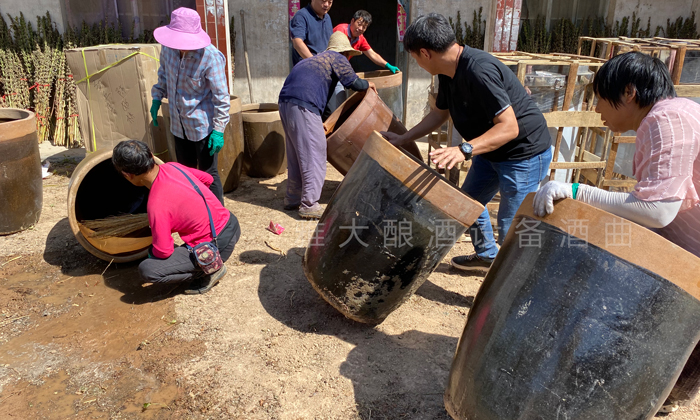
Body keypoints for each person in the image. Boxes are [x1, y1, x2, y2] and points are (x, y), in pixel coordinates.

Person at [533, 51, 700, 415]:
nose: (597, 112)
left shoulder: (665, 119)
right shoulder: (680, 112)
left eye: (599, 99)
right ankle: (664, 398)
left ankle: (649, 398)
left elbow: (657, 211)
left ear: (628, 92)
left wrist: (578, 192)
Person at [381, 13, 552, 270]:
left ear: (425, 53)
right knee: (466, 205)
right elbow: (439, 113)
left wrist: (465, 149)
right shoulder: (448, 72)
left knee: (511, 226)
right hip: (491, 151)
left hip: (523, 154)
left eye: (414, 57)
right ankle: (487, 256)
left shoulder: (478, 70)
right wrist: (404, 137)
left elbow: (509, 127)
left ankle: (510, 291)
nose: (416, 62)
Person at [112, 140, 241, 295]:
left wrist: (152, 250)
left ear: (128, 175)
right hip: (231, 224)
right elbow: (208, 179)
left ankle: (210, 270)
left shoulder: (156, 203)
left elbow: (164, 251)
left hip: (216, 246)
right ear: (152, 156)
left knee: (148, 269)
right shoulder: (173, 166)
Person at [278, 32, 375, 219]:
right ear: (346, 53)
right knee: (315, 152)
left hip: (285, 103)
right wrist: (368, 83)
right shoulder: (337, 57)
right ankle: (309, 205)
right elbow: (354, 83)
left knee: (296, 152)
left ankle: (292, 198)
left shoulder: (311, 61)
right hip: (304, 104)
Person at [150, 7, 230, 205]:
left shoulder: (210, 57)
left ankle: (218, 219)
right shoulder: (168, 49)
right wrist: (157, 97)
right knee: (185, 173)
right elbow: (163, 76)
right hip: (178, 124)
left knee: (208, 175)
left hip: (203, 128)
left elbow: (221, 97)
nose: (181, 46)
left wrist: (218, 130)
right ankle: (194, 211)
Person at [326, 10, 401, 115]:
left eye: (364, 27)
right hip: (328, 71)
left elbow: (372, 54)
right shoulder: (340, 31)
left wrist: (387, 65)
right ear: (352, 21)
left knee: (340, 104)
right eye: (359, 24)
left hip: (340, 74)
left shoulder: (360, 39)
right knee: (327, 104)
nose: (360, 28)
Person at [290, 0, 333, 66]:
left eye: (330, 2)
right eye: (323, 1)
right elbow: (297, 42)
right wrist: (316, 63)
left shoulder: (327, 18)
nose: (326, 5)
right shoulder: (301, 16)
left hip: (325, 67)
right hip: (307, 68)